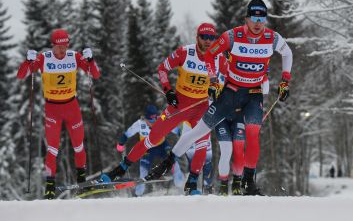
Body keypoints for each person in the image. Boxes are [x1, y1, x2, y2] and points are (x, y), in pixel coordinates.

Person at [145, 0, 293, 196]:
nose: (258, 23)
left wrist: (285, 81)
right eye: (254, 18)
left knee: (252, 134)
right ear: (246, 19)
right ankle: (168, 162)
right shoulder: (233, 36)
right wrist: (214, 81)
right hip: (230, 92)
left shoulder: (272, 38)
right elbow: (209, 55)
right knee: (199, 130)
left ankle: (248, 183)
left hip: (253, 94)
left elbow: (288, 53)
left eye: (262, 18)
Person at [100, 23, 228, 195]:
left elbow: (230, 78)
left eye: (211, 38)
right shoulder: (185, 52)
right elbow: (162, 69)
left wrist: (222, 90)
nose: (208, 41)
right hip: (180, 104)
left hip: (201, 107)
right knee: (153, 137)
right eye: (204, 37)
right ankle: (121, 169)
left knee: (202, 144)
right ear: (197, 37)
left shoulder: (219, 58)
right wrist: (168, 91)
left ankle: (191, 184)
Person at [17, 28, 100, 199]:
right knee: (52, 149)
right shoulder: (44, 58)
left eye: (66, 46)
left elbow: (95, 74)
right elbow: (21, 75)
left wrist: (91, 60)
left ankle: (82, 180)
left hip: (72, 107)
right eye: (60, 47)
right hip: (53, 109)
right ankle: (50, 185)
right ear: (53, 46)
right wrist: (27, 61)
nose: (63, 50)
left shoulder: (74, 56)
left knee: (78, 146)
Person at [116, 105, 185, 196]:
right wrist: (120, 144)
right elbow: (127, 134)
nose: (153, 123)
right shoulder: (139, 124)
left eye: (154, 120)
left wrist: (183, 134)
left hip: (161, 145)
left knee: (173, 160)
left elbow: (173, 127)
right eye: (150, 121)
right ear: (145, 118)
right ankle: (138, 192)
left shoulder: (161, 118)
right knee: (143, 170)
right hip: (147, 148)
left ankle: (180, 183)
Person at [217, 79, 269, 196]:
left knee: (238, 148)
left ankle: (237, 183)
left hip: (238, 117)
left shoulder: (249, 72)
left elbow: (264, 90)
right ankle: (223, 185)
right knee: (226, 149)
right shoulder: (220, 68)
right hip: (222, 118)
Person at [174, 121, 214, 195]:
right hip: (190, 145)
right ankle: (188, 189)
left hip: (204, 136)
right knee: (191, 165)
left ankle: (207, 187)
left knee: (206, 163)